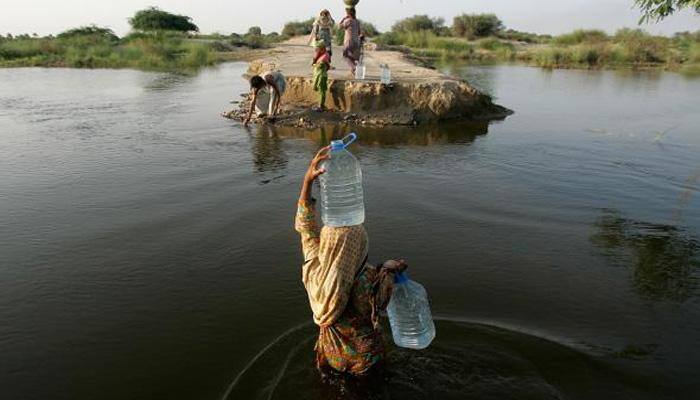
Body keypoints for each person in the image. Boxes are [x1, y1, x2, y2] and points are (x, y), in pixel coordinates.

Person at [295, 147, 408, 376]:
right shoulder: (368, 280)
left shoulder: (314, 267)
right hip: (365, 361)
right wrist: (389, 268)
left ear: (327, 243)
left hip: (331, 356)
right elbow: (383, 298)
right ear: (359, 248)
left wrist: (307, 182)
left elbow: (306, 226)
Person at [338, 7, 363, 77]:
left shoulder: (348, 21)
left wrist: (343, 19)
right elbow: (359, 32)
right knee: (352, 56)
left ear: (348, 13)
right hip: (356, 41)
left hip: (348, 41)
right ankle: (353, 70)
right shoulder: (357, 21)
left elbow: (339, 27)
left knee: (345, 55)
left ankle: (354, 67)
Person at [312, 44, 331, 111]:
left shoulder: (324, 56)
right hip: (320, 75)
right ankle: (320, 105)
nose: (317, 51)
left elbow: (320, 65)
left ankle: (321, 106)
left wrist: (314, 65)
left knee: (321, 91)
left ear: (322, 49)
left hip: (321, 76)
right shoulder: (323, 55)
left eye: (318, 49)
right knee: (320, 91)